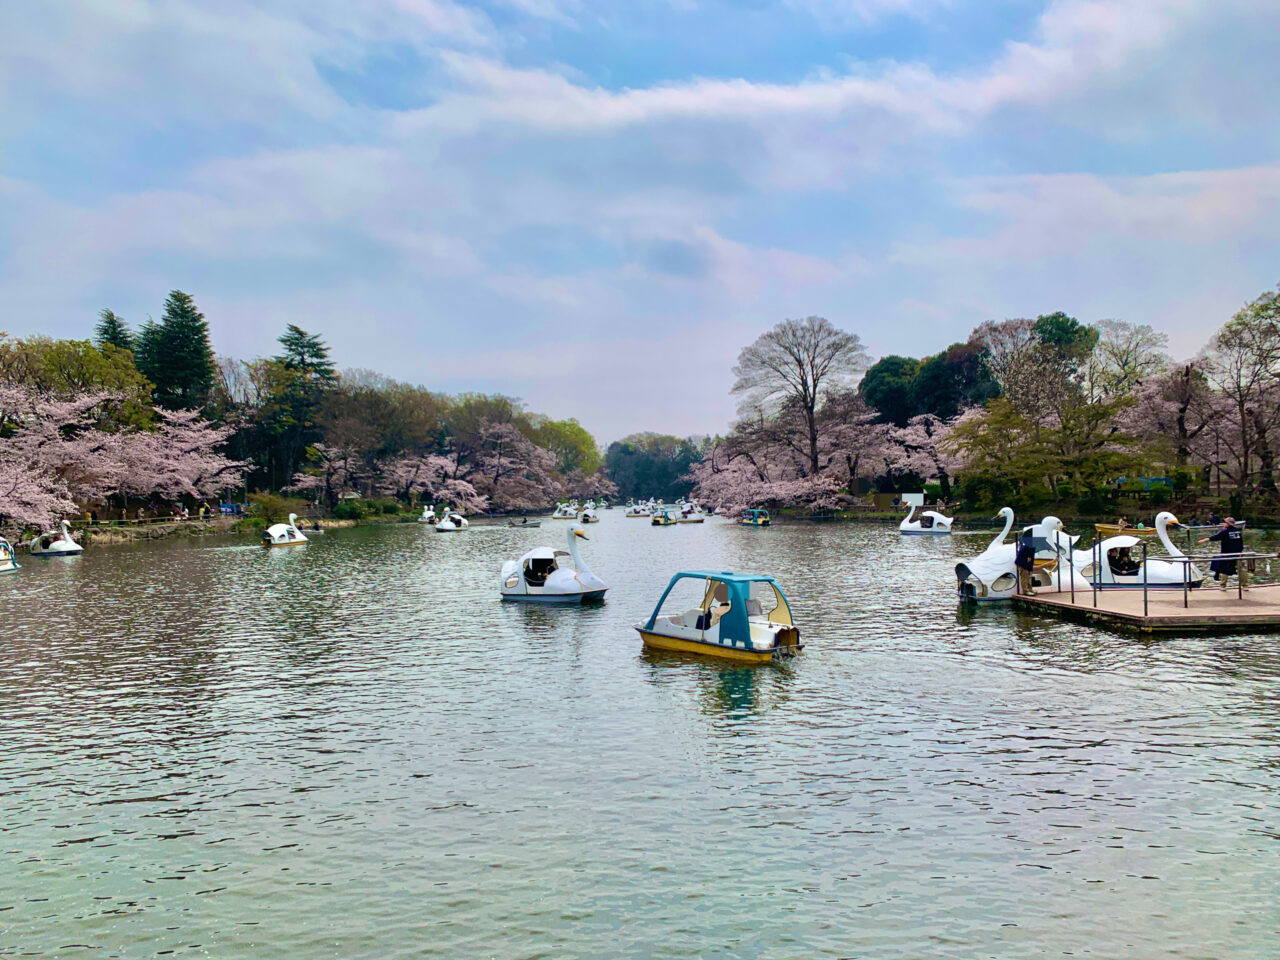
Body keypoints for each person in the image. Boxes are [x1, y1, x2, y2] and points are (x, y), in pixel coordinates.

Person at [1199, 517, 1245, 591]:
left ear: (1228, 524)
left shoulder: (1225, 532)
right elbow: (1241, 543)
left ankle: (1223, 586)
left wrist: (1204, 540)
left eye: (1225, 522)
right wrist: (1240, 552)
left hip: (1227, 554)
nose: (1223, 524)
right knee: (1241, 569)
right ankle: (1245, 586)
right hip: (1237, 554)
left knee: (1224, 569)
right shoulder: (1238, 532)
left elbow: (1215, 537)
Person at [1015, 531, 1037, 595]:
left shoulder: (1030, 544)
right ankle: (1026, 590)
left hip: (1028, 563)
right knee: (1025, 576)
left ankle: (1030, 589)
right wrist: (1028, 557)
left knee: (1029, 576)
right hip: (1023, 563)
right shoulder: (1027, 545)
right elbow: (1026, 553)